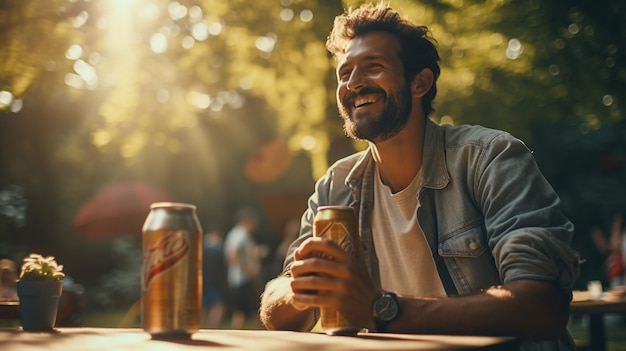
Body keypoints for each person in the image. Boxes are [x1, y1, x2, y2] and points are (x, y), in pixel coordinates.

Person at [259, 2, 580, 350]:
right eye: (344, 72)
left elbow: (541, 306)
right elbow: (277, 311)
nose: (353, 83)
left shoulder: (490, 158)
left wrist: (382, 310)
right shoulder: (336, 185)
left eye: (373, 66)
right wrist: (298, 288)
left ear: (420, 82)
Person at [224, 207, 267, 329]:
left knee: (240, 311)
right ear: (247, 221)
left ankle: (236, 336)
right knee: (255, 308)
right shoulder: (241, 234)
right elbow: (234, 253)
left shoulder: (236, 234)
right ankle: (268, 333)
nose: (255, 225)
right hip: (243, 279)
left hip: (238, 279)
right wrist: (247, 270)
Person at [202, 230, 227, 328]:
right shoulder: (219, 250)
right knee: (218, 306)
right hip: (216, 282)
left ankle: (206, 328)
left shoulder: (202, 248)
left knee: (206, 307)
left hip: (203, 282)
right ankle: (212, 327)